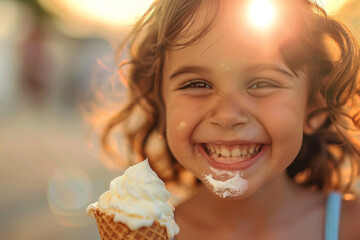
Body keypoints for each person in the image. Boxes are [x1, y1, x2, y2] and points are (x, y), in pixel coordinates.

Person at [97, 0, 360, 239]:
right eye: (197, 84)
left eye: (261, 83)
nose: (227, 115)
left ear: (314, 105)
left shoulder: (351, 226)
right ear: (160, 102)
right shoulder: (149, 232)